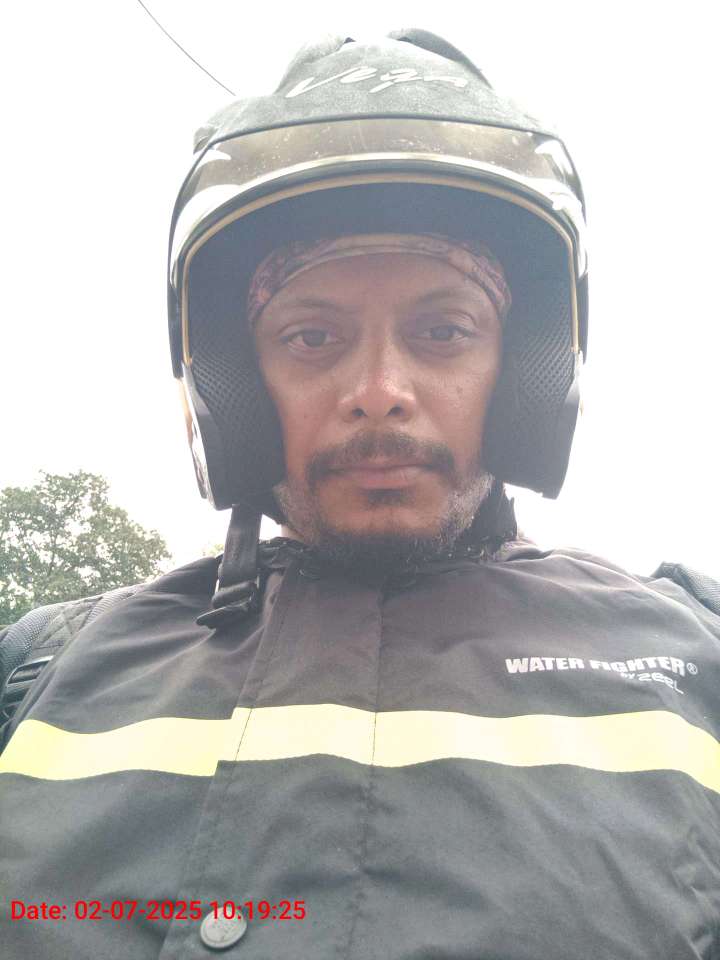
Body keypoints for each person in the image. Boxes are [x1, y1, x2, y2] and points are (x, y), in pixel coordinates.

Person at [1, 28, 719, 960]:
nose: (380, 390)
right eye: (312, 337)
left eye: (444, 331)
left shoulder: (693, 655)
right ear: (234, 386)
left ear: (522, 374)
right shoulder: (41, 671)